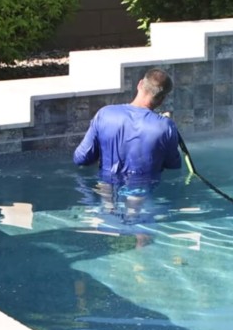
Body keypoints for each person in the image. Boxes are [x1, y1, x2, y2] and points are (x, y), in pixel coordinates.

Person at [73, 68, 182, 224]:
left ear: (139, 85)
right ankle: (134, 218)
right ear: (162, 99)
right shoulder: (165, 127)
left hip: (107, 181)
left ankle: (110, 210)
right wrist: (167, 127)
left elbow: (80, 158)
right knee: (138, 209)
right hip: (143, 187)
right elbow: (174, 166)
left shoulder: (104, 114)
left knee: (107, 199)